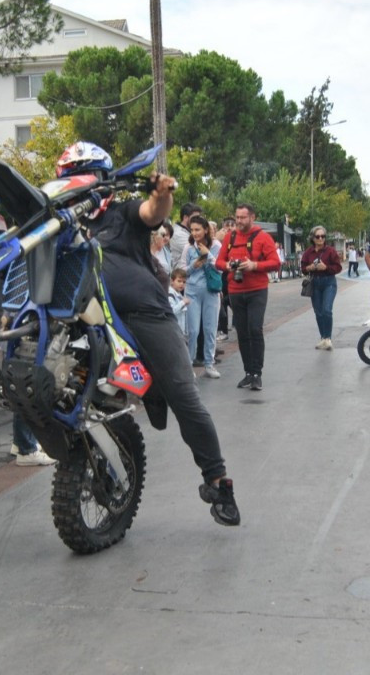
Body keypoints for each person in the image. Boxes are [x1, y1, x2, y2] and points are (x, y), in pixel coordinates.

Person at [77, 143, 240, 526]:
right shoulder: (60, 224)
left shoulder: (120, 214)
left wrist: (162, 195)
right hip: (91, 320)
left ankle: (218, 481)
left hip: (145, 313)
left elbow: (152, 213)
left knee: (185, 396)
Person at [216, 203, 279, 391]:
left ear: (252, 217)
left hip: (257, 290)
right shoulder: (230, 236)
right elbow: (219, 261)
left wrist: (254, 266)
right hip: (235, 290)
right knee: (242, 331)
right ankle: (248, 373)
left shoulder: (263, 237)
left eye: (243, 217)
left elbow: (276, 263)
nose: (239, 221)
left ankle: (257, 373)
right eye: (237, 217)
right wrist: (228, 266)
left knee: (255, 329)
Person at [183, 215, 222, 378]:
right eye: (192, 230)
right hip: (192, 291)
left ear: (206, 230)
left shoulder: (216, 246)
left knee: (210, 328)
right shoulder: (188, 248)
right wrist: (194, 265)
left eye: (197, 229)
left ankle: (209, 364)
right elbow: (182, 272)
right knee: (192, 330)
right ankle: (189, 364)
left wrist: (209, 256)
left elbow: (220, 268)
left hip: (211, 291)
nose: (195, 233)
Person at [301, 226, 342, 350]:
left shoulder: (330, 251)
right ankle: (323, 337)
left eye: (323, 236)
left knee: (326, 310)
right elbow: (303, 268)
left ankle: (328, 339)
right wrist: (310, 268)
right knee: (318, 312)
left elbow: (338, 267)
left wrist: (326, 268)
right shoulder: (308, 252)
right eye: (317, 236)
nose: (320, 239)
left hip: (329, 282)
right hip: (315, 283)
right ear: (312, 238)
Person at [169, 202, 202, 271]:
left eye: (199, 218)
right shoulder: (178, 234)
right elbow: (196, 251)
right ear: (185, 217)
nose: (198, 221)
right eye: (195, 218)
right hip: (182, 277)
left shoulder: (189, 231)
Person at [168, 268, 190, 332]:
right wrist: (183, 302)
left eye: (184, 282)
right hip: (173, 329)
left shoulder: (179, 294)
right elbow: (172, 310)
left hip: (179, 329)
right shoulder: (170, 294)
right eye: (179, 281)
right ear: (172, 281)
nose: (182, 284)